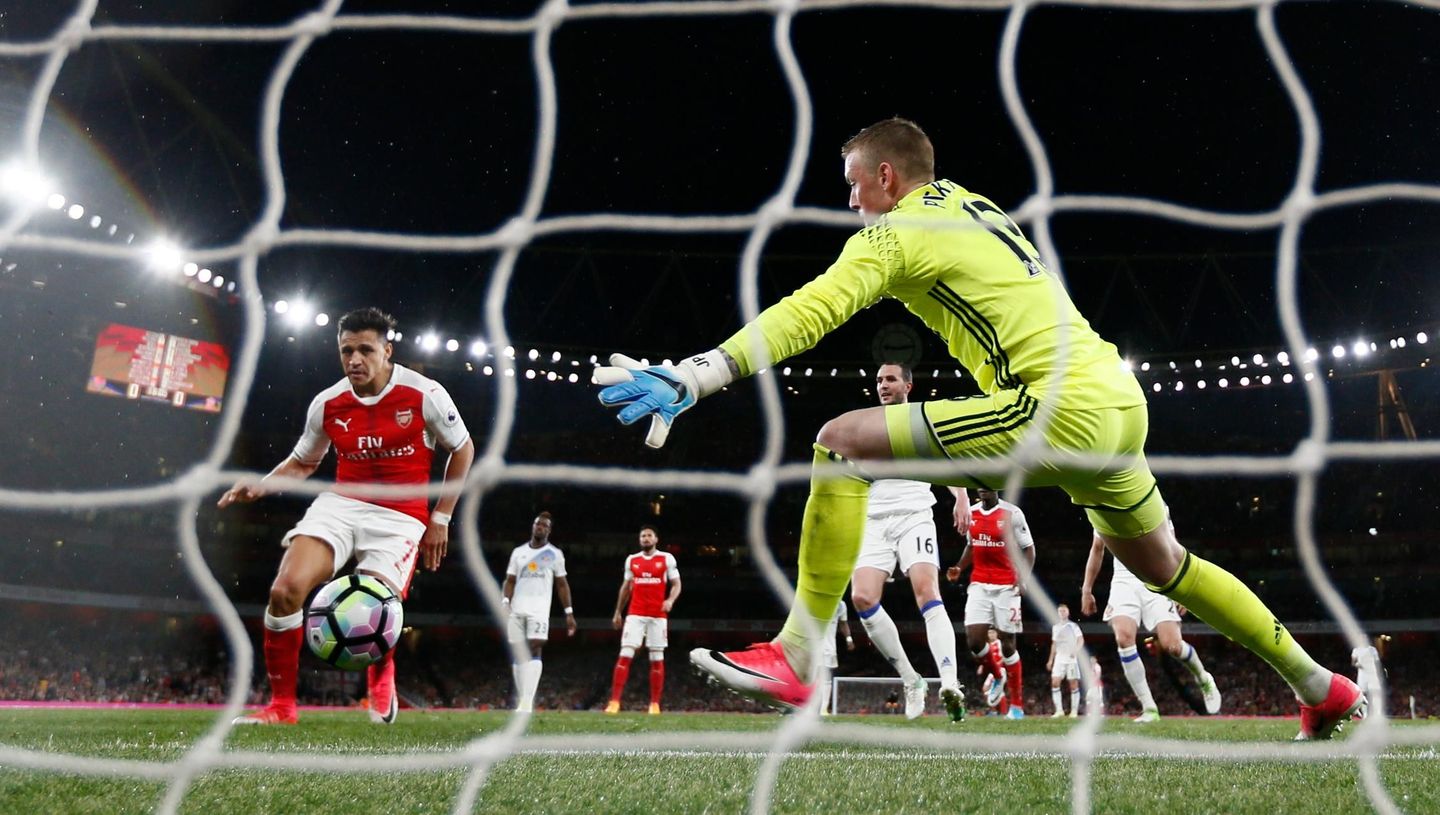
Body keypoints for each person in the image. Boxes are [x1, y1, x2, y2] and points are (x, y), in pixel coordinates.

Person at [595, 117, 1363, 739]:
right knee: (1168, 564)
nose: (852, 202)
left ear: (886, 176)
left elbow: (815, 307)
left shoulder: (897, 232)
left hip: (1057, 406)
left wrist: (699, 373)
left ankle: (796, 654)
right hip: (1117, 399)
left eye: (854, 185)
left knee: (839, 441)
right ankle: (1322, 686)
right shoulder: (971, 204)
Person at [218, 307, 474, 725]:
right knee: (285, 591)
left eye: (365, 350)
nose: (354, 359)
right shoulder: (328, 403)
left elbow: (462, 449)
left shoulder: (424, 393)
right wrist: (260, 485)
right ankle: (282, 708)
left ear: (387, 351)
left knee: (375, 607)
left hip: (401, 515)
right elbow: (303, 462)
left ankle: (382, 674)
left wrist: (441, 518)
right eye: (346, 351)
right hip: (341, 505)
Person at [848, 362, 964, 721]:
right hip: (873, 520)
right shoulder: (865, 424)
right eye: (879, 380)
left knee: (927, 593)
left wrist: (961, 497)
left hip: (914, 515)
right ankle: (912, 680)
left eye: (890, 379)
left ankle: (950, 683)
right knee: (862, 598)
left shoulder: (922, 421)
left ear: (908, 386)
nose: (883, 385)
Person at [1081, 527, 1221, 721]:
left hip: (1156, 576)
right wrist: (1086, 589)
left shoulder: (1156, 507)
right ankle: (1149, 708)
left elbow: (1172, 546)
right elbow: (1097, 548)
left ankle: (1203, 678)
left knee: (1172, 645)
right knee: (1123, 638)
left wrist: (1180, 587)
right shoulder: (1100, 511)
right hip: (1124, 581)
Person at [946, 488, 1033, 719]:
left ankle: (1017, 707)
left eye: (987, 485)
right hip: (979, 584)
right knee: (974, 642)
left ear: (996, 487)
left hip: (1007, 586)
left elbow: (1029, 548)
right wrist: (959, 567)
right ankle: (998, 675)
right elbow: (971, 545)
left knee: (1008, 644)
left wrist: (1024, 579)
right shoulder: (971, 512)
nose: (982, 488)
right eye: (979, 485)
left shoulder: (1012, 513)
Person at [502, 511, 577, 713]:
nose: (540, 528)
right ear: (533, 526)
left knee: (534, 648)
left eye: (544, 526)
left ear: (549, 531)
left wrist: (569, 612)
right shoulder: (518, 552)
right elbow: (510, 580)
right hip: (517, 608)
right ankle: (523, 699)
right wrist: (505, 601)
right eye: (538, 524)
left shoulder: (554, 554)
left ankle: (527, 700)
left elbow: (562, 584)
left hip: (539, 609)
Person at [605, 524, 682, 715]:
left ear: (656, 539)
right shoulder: (632, 560)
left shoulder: (666, 558)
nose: (646, 538)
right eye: (643, 536)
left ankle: (654, 704)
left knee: (656, 658)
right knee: (625, 654)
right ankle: (614, 702)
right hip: (635, 614)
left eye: (649, 535)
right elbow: (626, 587)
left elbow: (677, 584)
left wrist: (670, 600)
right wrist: (617, 612)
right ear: (639, 540)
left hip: (658, 615)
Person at [819, 598, 855, 715]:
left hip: (828, 647)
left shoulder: (840, 604)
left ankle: (823, 709)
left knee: (827, 677)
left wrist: (849, 639)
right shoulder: (814, 598)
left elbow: (843, 623)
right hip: (810, 646)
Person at [1047, 603, 1083, 718]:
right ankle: (1059, 711)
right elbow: (1054, 644)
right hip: (1059, 658)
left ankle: (1074, 711)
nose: (1062, 613)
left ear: (1068, 612)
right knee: (1055, 682)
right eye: (1060, 611)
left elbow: (1080, 640)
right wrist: (1050, 660)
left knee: (1073, 684)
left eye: (1064, 611)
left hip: (1071, 659)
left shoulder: (1073, 626)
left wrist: (1076, 651)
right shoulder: (1055, 627)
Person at [1352, 634, 1389, 704]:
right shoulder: (1356, 650)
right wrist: (1359, 665)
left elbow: (1377, 662)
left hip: (1372, 674)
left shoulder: (1372, 650)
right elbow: (1353, 663)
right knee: (1362, 693)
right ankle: (1364, 710)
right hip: (1362, 675)